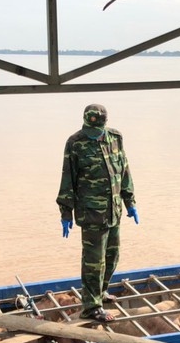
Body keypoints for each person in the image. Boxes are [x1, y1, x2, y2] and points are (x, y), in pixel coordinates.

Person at [57, 104, 138, 323]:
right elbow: (68, 178)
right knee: (94, 262)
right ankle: (91, 307)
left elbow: (124, 170)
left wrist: (129, 201)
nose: (95, 136)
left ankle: (101, 293)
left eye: (98, 130)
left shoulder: (115, 137)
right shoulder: (75, 143)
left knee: (112, 257)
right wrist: (66, 211)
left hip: (113, 210)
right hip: (91, 213)